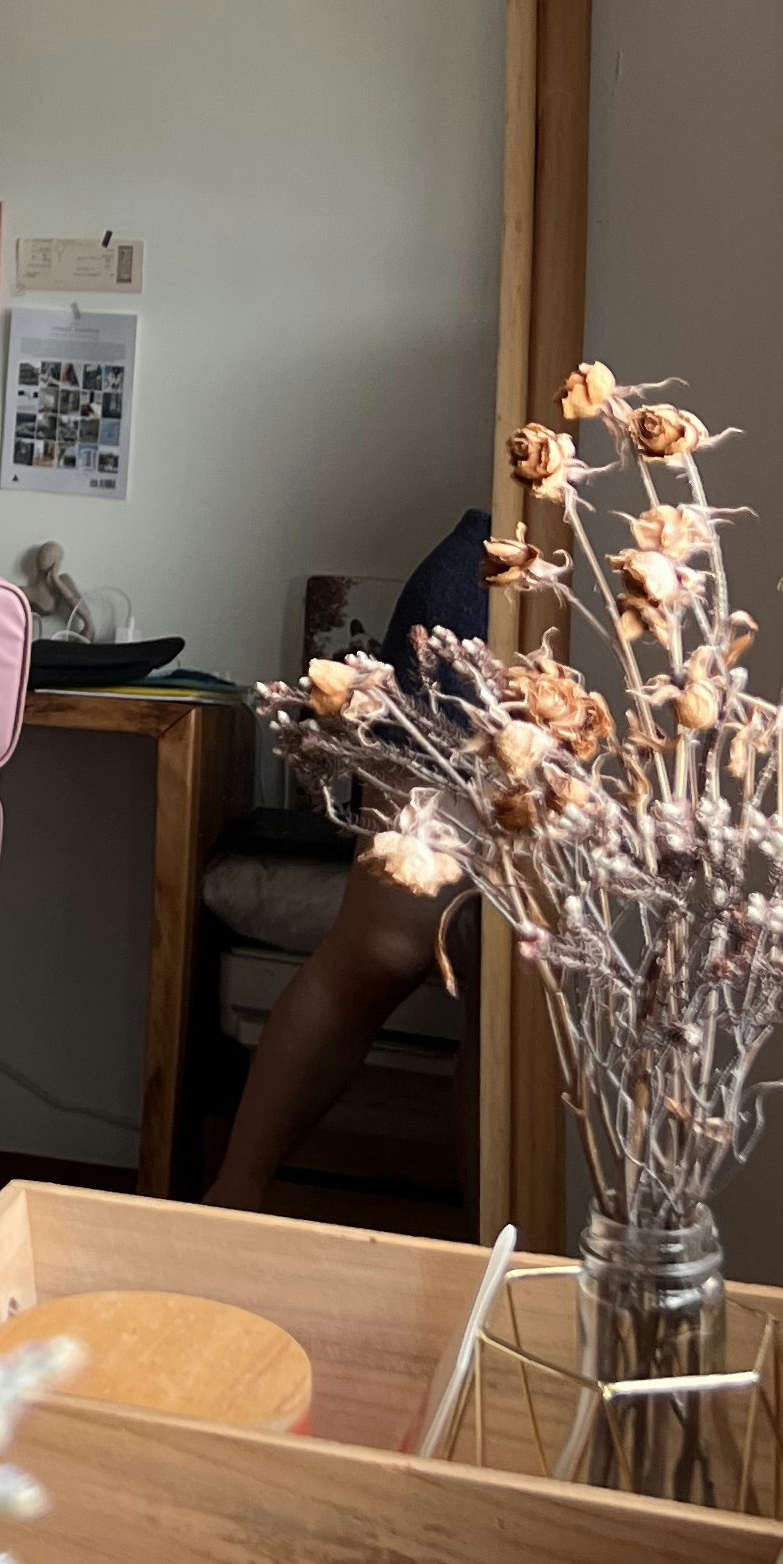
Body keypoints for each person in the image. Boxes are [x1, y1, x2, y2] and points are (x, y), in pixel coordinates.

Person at [206, 504, 489, 1215]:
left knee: (508, 987)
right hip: (482, 582)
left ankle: (488, 1274)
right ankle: (226, 1206)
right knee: (381, 948)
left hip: (616, 607)